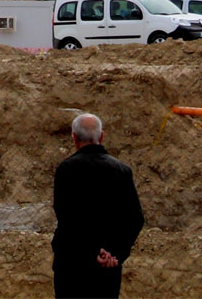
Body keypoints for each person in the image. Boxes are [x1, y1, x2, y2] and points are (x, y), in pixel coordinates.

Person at [51, 113, 144, 298]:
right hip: (107, 268)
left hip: (72, 264)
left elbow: (67, 218)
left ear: (74, 137)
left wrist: (91, 252)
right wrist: (114, 254)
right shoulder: (122, 171)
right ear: (101, 136)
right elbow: (135, 219)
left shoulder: (67, 169)